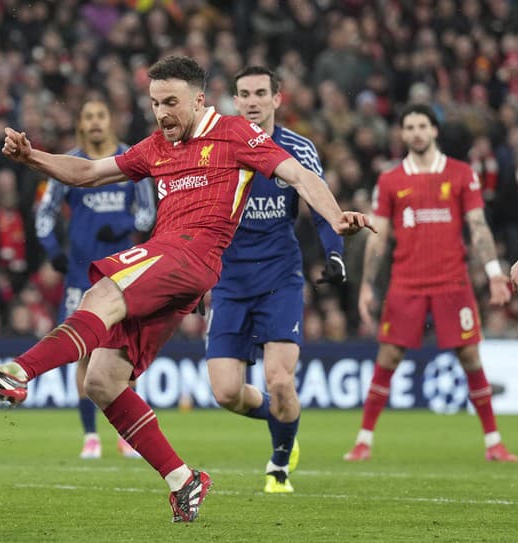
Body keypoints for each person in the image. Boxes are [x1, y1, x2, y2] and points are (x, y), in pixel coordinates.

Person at [0, 56, 373, 523]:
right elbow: (87, 173)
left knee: (101, 295)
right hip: (175, 267)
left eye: (171, 102)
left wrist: (335, 217)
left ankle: (17, 372)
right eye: (154, 103)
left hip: (193, 253)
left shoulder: (234, 133)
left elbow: (299, 175)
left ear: (199, 100)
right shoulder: (155, 146)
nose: (161, 113)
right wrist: (32, 157)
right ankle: (182, 479)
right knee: (102, 382)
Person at [344, 104, 517, 463]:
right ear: (403, 134)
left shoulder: (460, 174)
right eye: (410, 127)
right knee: (389, 355)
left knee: (470, 355)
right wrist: (366, 287)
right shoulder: (390, 180)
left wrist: (493, 272)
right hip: (406, 282)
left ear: (434, 130)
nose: (417, 132)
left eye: (423, 125)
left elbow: (478, 226)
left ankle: (493, 443)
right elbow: (378, 238)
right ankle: (363, 440)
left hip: (452, 282)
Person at [205, 66, 344, 494]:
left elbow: (318, 201)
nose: (252, 101)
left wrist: (334, 252)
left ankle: (279, 465)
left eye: (260, 93)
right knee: (227, 393)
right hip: (228, 281)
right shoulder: (217, 147)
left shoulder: (296, 148)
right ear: (234, 99)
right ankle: (286, 419)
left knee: (280, 380)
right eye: (244, 93)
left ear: (276, 99)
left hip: (280, 278)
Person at [36, 98, 156, 460]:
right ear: (81, 123)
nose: (95, 122)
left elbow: (148, 214)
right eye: (88, 116)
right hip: (78, 274)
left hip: (122, 273)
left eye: (101, 114)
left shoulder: (130, 161)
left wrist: (121, 225)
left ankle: (125, 435)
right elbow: (45, 213)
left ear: (111, 120)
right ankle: (91, 435)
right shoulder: (71, 163)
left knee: (124, 354)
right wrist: (52, 249)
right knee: (83, 354)